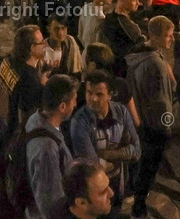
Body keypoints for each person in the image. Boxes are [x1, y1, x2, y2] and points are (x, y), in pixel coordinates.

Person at [70, 70, 141, 213]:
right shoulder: (79, 122)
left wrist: (108, 154)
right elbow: (93, 166)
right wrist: (123, 153)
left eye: (99, 94)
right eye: (89, 93)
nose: (93, 98)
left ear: (110, 95)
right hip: (95, 194)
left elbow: (137, 151)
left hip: (118, 183)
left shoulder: (121, 112)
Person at [127, 16, 177, 218]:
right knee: (149, 167)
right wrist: (167, 127)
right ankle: (139, 205)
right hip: (155, 125)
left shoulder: (139, 53)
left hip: (141, 117)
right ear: (154, 36)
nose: (171, 40)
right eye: (168, 36)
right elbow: (161, 100)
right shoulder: (155, 63)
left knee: (142, 162)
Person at [20, 75, 79, 219]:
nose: (76, 104)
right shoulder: (47, 149)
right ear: (63, 106)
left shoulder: (35, 118)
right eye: (74, 100)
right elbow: (51, 203)